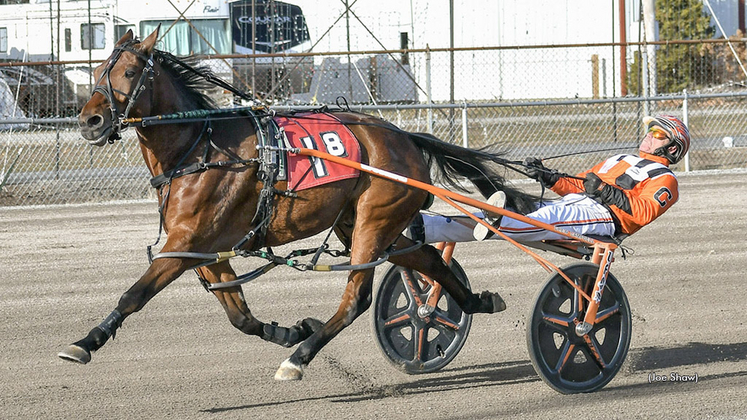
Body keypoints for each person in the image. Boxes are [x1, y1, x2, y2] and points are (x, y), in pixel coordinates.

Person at [407, 115, 690, 244]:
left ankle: (499, 221)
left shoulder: (666, 180)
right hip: (577, 202)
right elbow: (578, 185)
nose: (649, 135)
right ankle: (425, 227)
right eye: (650, 130)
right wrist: (548, 176)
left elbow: (642, 213)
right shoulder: (620, 159)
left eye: (659, 134)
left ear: (672, 148)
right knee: (526, 213)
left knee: (545, 217)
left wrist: (605, 192)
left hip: (604, 218)